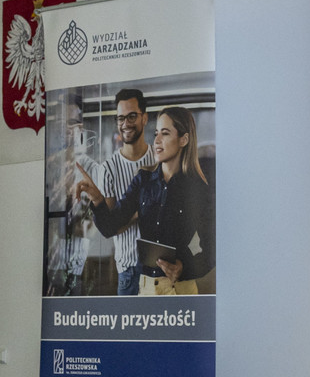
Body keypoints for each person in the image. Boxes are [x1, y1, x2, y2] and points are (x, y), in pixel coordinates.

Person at [76, 105, 214, 295]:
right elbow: (110, 227)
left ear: (184, 139)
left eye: (165, 133)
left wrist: (184, 267)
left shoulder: (197, 188)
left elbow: (212, 248)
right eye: (156, 133)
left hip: (181, 289)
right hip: (146, 288)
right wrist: (97, 198)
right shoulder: (142, 180)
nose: (156, 140)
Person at [94, 89, 155, 294]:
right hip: (128, 270)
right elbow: (112, 225)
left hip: (159, 268)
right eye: (121, 118)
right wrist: (140, 213)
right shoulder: (108, 169)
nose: (125, 123)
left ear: (144, 118)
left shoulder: (159, 158)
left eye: (132, 116)